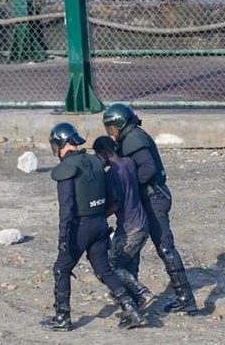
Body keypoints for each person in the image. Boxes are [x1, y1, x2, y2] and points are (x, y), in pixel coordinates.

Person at [40, 122, 147, 332]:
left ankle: (62, 317)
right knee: (104, 270)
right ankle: (131, 308)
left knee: (61, 269)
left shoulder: (67, 168)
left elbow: (66, 209)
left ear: (62, 144)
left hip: (81, 227)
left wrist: (63, 239)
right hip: (100, 224)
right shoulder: (95, 161)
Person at [101, 104, 199, 315]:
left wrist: (129, 186)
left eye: (111, 127)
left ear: (120, 123)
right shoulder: (130, 138)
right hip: (148, 198)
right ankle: (135, 298)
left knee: (165, 247)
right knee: (133, 251)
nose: (110, 132)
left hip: (154, 198)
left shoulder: (134, 138)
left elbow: (148, 169)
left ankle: (185, 297)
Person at [92, 135, 154, 310]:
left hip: (129, 227)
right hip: (143, 223)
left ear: (103, 153)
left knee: (111, 264)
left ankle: (142, 292)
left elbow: (116, 203)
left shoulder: (112, 173)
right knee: (130, 264)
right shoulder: (129, 162)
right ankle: (134, 305)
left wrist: (98, 217)